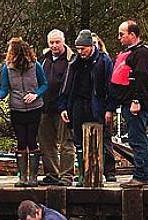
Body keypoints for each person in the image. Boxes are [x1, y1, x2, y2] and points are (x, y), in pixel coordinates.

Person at [58, 29, 115, 184]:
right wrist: (63, 107)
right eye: (78, 49)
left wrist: (109, 108)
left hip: (96, 104)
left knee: (100, 139)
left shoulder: (104, 61)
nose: (80, 52)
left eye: (83, 48)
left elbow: (110, 87)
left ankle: (99, 173)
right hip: (77, 104)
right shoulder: (74, 62)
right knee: (78, 140)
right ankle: (83, 174)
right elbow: (66, 86)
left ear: (91, 46)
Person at [109, 20, 148, 189]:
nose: (119, 37)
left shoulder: (141, 53)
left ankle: (142, 176)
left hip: (137, 103)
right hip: (128, 101)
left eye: (122, 34)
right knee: (135, 138)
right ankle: (142, 174)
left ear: (132, 35)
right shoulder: (128, 53)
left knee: (137, 138)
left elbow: (141, 77)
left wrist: (136, 101)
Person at [0, 37, 48, 187]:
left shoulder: (35, 66)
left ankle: (33, 176)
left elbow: (44, 84)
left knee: (32, 140)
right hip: (16, 108)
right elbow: (5, 89)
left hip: (34, 108)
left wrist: (35, 94)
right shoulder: (7, 68)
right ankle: (22, 177)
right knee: (21, 141)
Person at [38, 29, 75, 187]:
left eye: (57, 42)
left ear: (63, 42)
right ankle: (52, 173)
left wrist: (66, 105)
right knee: (46, 143)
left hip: (63, 108)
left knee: (66, 143)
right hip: (44, 106)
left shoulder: (71, 59)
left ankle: (67, 175)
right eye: (51, 42)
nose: (54, 45)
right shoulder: (43, 59)